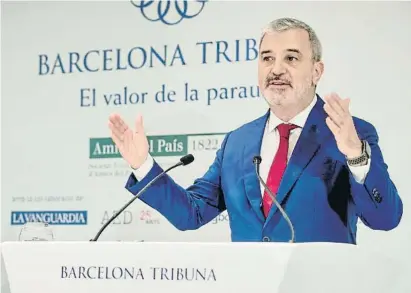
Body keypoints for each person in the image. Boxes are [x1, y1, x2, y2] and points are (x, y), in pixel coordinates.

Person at [108, 18, 403, 243]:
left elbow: (386, 219)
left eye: (291, 58)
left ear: (316, 71)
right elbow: (192, 213)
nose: (276, 69)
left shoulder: (350, 133)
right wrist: (143, 165)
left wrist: (356, 156)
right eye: (267, 58)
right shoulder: (237, 143)